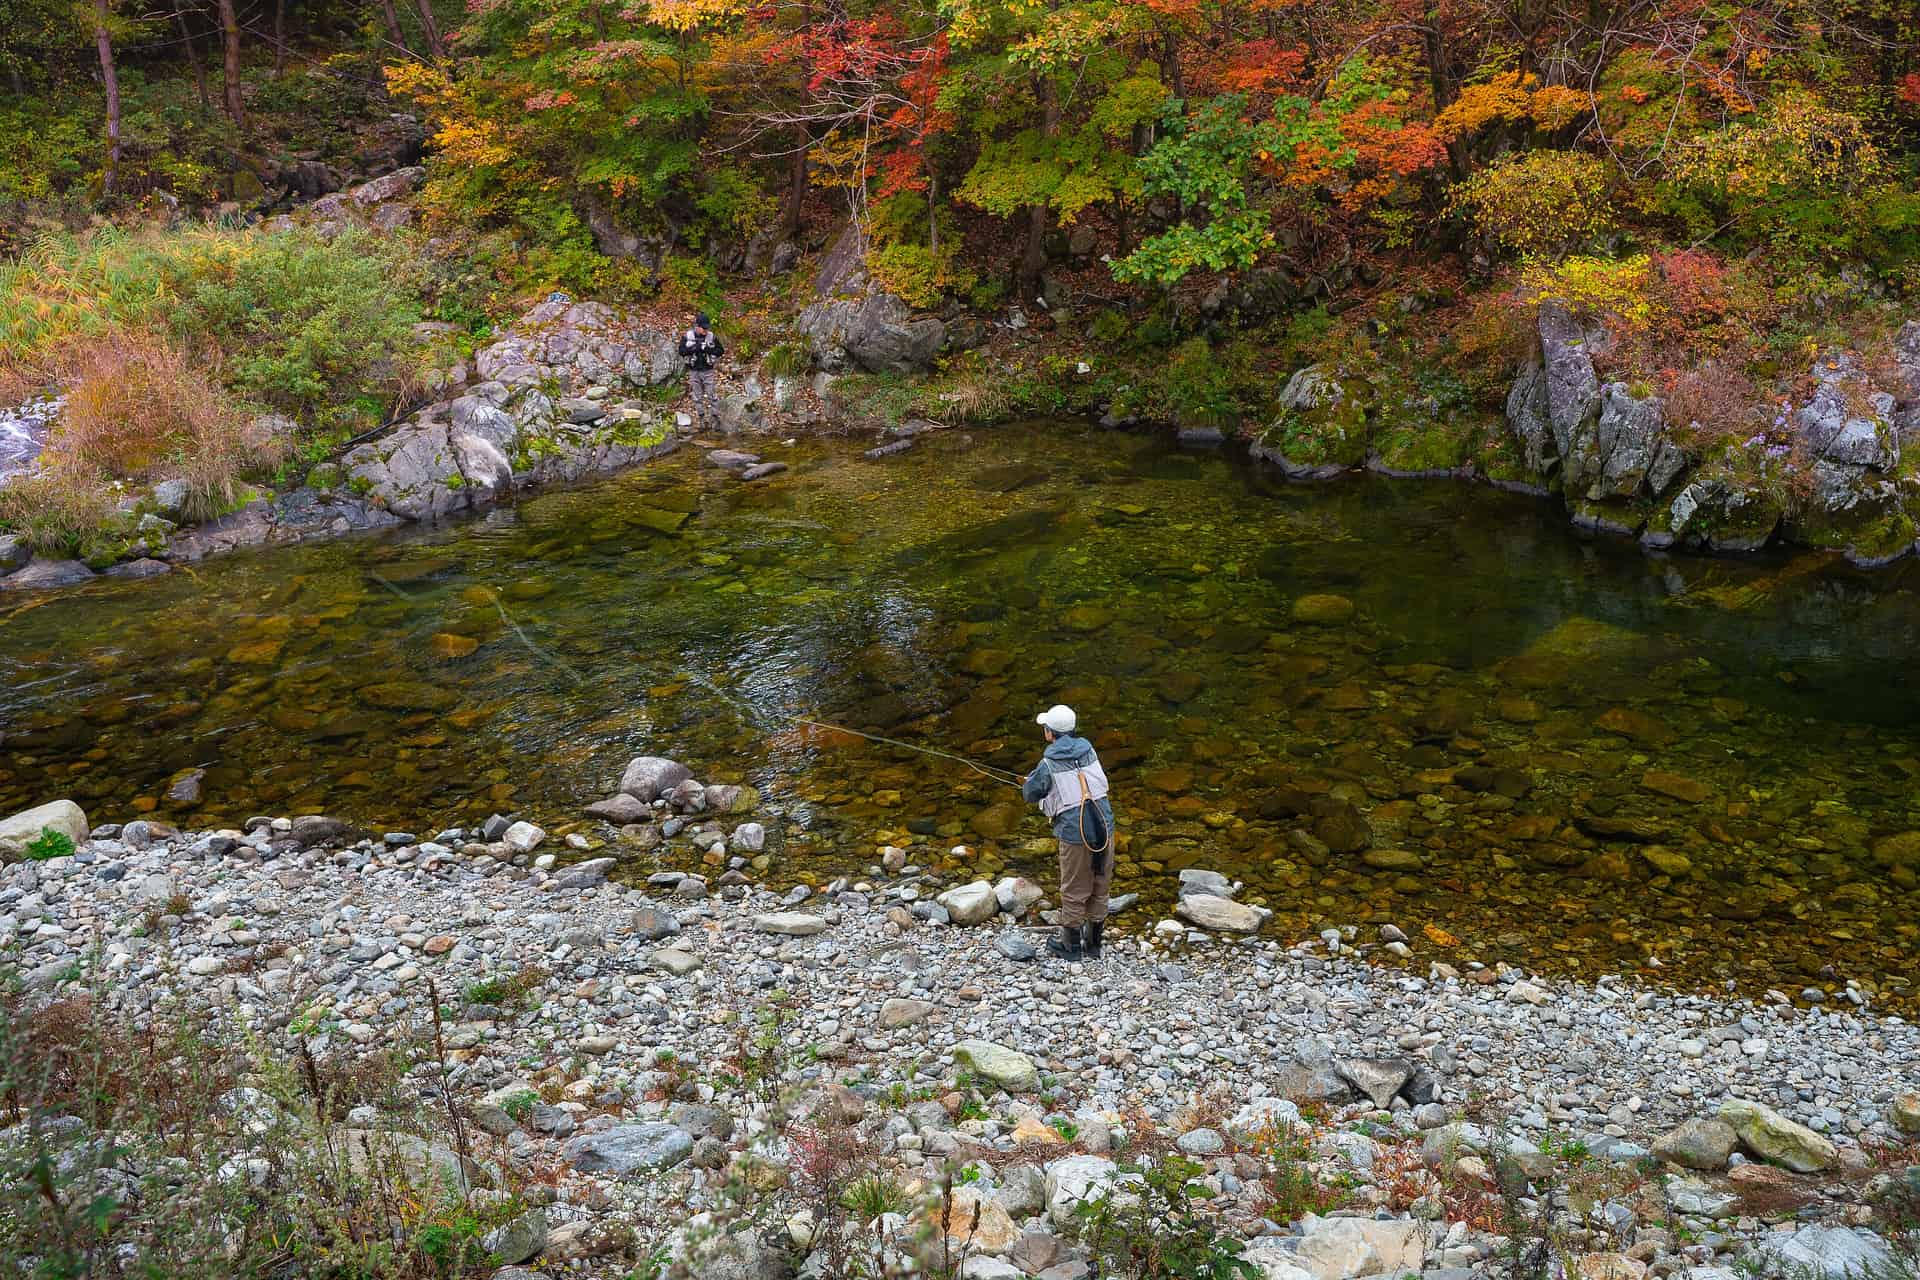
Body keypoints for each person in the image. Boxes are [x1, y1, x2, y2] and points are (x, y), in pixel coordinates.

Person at [1021, 704, 1115, 960]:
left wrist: (1029, 782)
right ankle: (1094, 944)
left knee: (1074, 888)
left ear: (1050, 733)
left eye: (1045, 728)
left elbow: (1030, 794)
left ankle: (1071, 947)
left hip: (1076, 832)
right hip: (1105, 824)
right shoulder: (1089, 751)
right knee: (1100, 882)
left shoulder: (1048, 763)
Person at [679, 313, 724, 428]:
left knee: (711, 395)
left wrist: (708, 349)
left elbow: (720, 351)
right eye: (704, 328)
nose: (706, 330)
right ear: (697, 326)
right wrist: (695, 348)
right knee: (697, 397)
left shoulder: (711, 337)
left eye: (707, 327)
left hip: (708, 371)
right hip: (694, 371)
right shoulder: (688, 336)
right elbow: (682, 351)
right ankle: (701, 418)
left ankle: (715, 418)